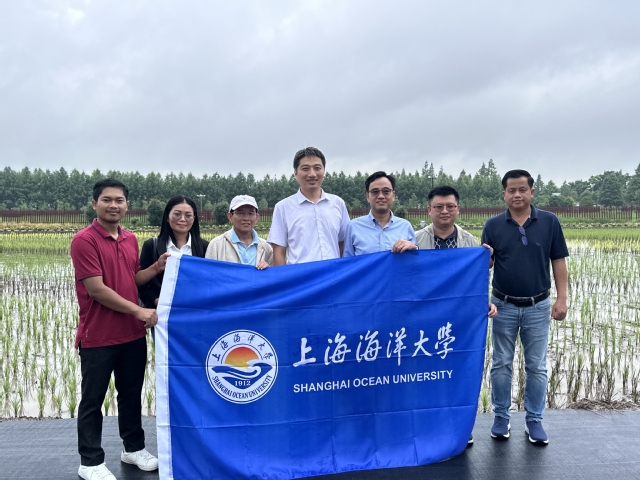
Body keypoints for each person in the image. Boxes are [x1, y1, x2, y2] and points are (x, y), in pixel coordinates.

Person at [71, 179, 169, 480]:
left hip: (132, 335)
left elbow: (130, 279)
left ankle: (133, 448)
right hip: (99, 336)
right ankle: (90, 462)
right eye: (107, 200)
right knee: (93, 400)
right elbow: (97, 289)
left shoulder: (130, 239)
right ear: (94, 204)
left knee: (130, 394)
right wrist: (140, 311)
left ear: (127, 205)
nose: (113, 205)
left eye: (119, 200)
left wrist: (155, 268)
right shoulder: (84, 240)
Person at [482, 170, 568, 445]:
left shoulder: (549, 221)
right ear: (504, 194)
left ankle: (534, 420)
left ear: (532, 192)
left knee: (537, 366)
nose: (517, 194)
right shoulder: (493, 225)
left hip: (538, 305)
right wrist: (486, 257)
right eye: (511, 190)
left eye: (522, 189)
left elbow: (558, 260)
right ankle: (501, 417)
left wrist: (562, 298)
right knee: (501, 363)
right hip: (502, 305)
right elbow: (486, 266)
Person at [416, 185, 498, 446]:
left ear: (458, 209)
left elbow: (477, 281)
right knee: (426, 372)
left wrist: (484, 303)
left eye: (450, 206)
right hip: (426, 320)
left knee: (457, 372)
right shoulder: (415, 240)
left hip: (458, 322)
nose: (444, 211)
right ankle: (429, 425)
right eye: (438, 206)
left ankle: (460, 427)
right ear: (429, 210)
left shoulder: (471, 243)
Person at [268, 147, 350, 265]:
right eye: (305, 169)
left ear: (324, 171)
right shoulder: (283, 208)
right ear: (296, 173)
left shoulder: (338, 203)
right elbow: (279, 252)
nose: (312, 174)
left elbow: (343, 244)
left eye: (317, 168)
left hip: (333, 274)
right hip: (300, 276)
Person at [138, 196, 209, 315]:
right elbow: (142, 283)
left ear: (194, 219)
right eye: (177, 214)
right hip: (162, 315)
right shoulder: (151, 246)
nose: (183, 219)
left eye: (188, 215)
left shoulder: (205, 247)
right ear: (167, 216)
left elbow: (209, 281)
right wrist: (156, 301)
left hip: (195, 313)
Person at [343, 171, 417, 256]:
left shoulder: (405, 227)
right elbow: (348, 262)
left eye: (386, 191)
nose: (381, 196)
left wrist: (414, 247)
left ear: (393, 195)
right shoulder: (353, 227)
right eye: (375, 192)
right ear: (368, 197)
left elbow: (416, 259)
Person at [205, 195, 273, 268]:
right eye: (240, 213)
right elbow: (208, 272)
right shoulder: (216, 245)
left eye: (250, 213)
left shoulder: (266, 248)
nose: (246, 218)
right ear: (230, 216)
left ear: (256, 217)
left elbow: (274, 272)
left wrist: (267, 269)